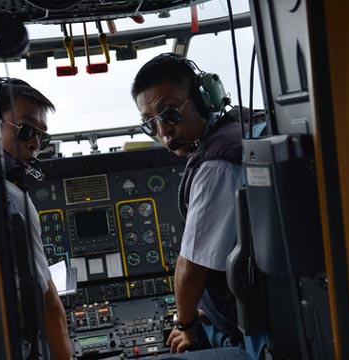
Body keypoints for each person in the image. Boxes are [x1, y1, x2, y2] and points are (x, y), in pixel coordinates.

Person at [131, 53, 244, 354]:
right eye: (149, 124)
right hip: (244, 306)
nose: (163, 131)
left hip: (254, 329)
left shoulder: (215, 165)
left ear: (204, 99)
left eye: (170, 113)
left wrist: (185, 326)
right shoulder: (241, 127)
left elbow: (190, 267)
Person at [0, 77, 72, 360]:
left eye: (41, 135)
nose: (35, 143)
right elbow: (49, 304)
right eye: (26, 129)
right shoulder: (13, 198)